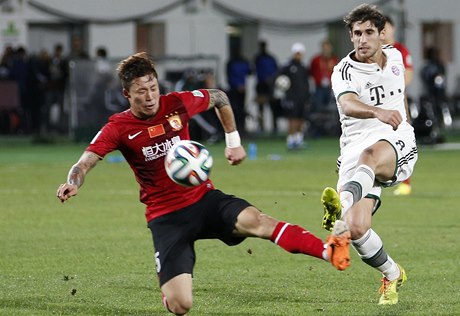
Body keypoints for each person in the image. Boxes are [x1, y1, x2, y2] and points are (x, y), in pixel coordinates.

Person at [56, 52, 351, 316]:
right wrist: (74, 182)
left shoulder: (176, 104)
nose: (149, 97)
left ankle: (330, 251)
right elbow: (84, 163)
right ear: (126, 94)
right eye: (141, 92)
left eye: (153, 88)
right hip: (166, 218)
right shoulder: (118, 127)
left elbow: (220, 98)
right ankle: (169, 293)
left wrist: (233, 141)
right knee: (181, 305)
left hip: (205, 200)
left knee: (258, 221)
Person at [321, 4, 418, 306]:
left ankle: (340, 210)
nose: (362, 39)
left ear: (382, 34)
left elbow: (399, 94)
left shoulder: (397, 58)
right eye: (356, 34)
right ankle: (392, 274)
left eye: (368, 33)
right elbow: (348, 104)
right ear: (350, 37)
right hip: (354, 146)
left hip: (394, 138)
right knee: (359, 227)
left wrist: (404, 122)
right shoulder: (343, 71)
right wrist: (378, 111)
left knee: (371, 155)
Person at [382, 15, 414, 196]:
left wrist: (392, 87)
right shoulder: (376, 50)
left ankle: (406, 182)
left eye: (386, 27)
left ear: (392, 28)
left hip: (398, 99)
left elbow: (408, 75)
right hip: (378, 103)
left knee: (403, 138)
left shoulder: (400, 50)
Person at [278, 42, 310, 150]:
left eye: (300, 53)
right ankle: (290, 140)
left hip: (302, 97)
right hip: (291, 97)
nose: (298, 55)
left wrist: (307, 96)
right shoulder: (287, 66)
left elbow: (306, 83)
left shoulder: (303, 67)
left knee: (301, 119)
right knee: (292, 119)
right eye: (297, 53)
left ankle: (299, 139)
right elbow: (279, 79)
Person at [253, 40, 280, 134]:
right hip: (261, 85)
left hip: (270, 85)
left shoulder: (271, 58)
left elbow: (276, 70)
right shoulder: (258, 58)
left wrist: (271, 79)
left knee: (273, 106)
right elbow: (255, 70)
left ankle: (275, 126)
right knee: (260, 107)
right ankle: (261, 126)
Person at [226, 45, 251, 136]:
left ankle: (242, 127)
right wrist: (237, 85)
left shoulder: (242, 61)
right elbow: (229, 77)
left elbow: (250, 72)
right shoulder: (231, 63)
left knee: (241, 109)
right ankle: (236, 129)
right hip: (234, 89)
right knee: (235, 109)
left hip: (242, 89)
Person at [309, 39, 337, 113]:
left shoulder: (334, 60)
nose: (326, 50)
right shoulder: (316, 60)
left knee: (331, 108)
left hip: (331, 88)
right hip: (319, 88)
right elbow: (311, 72)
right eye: (324, 48)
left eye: (328, 48)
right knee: (319, 107)